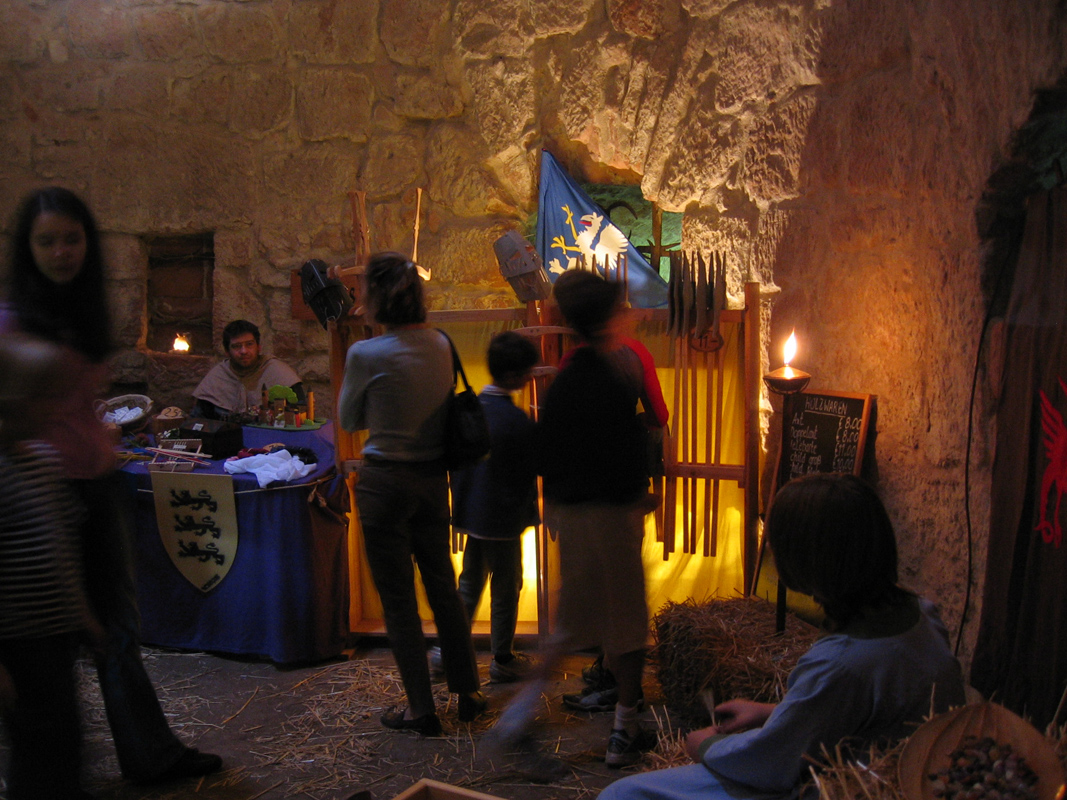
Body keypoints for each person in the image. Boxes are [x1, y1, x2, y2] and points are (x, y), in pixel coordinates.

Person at [1, 186, 223, 785]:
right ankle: (50, 765)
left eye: (72, 239)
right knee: (45, 637)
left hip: (96, 483)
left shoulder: (78, 312)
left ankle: (147, 754)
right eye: (47, 241)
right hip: (39, 495)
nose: (61, 252)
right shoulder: (13, 322)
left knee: (117, 626)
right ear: (27, 247)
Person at [598, 472, 967, 800]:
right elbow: (854, 717)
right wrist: (769, 712)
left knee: (622, 793)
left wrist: (706, 745)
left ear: (804, 559)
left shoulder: (842, 663)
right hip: (893, 772)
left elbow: (771, 763)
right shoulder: (922, 613)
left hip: (841, 786)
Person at [484, 269, 664, 768]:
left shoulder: (565, 379)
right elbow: (630, 449)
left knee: (568, 626)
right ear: (607, 318)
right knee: (628, 625)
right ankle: (624, 729)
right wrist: (640, 498)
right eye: (622, 309)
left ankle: (518, 717)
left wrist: (560, 504)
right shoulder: (615, 376)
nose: (629, 316)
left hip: (574, 514)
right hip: (613, 517)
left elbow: (547, 452)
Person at [337, 251, 486, 736]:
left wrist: (382, 407)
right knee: (443, 585)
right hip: (432, 479)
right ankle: (468, 692)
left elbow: (348, 420)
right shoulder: (441, 343)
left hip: (384, 482)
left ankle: (421, 709)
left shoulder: (365, 354)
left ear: (375, 297)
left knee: (398, 599)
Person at [0, 334, 101, 799]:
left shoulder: (43, 461)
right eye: (42, 396)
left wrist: (83, 615)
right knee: (33, 745)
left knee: (66, 735)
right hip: (16, 641)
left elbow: (61, 546)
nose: (53, 407)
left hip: (56, 635)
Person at [446, 330, 541, 684]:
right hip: (503, 519)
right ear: (515, 376)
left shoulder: (470, 410)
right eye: (528, 372)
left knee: (469, 584)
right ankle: (502, 657)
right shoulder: (516, 420)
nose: (530, 378)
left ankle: (449, 650)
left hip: (471, 514)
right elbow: (532, 468)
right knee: (506, 586)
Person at [191, 318, 304, 419]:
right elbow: (199, 420)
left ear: (258, 347)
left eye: (249, 344)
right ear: (227, 351)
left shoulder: (278, 371)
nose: (244, 351)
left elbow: (300, 413)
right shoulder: (217, 376)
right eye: (236, 346)